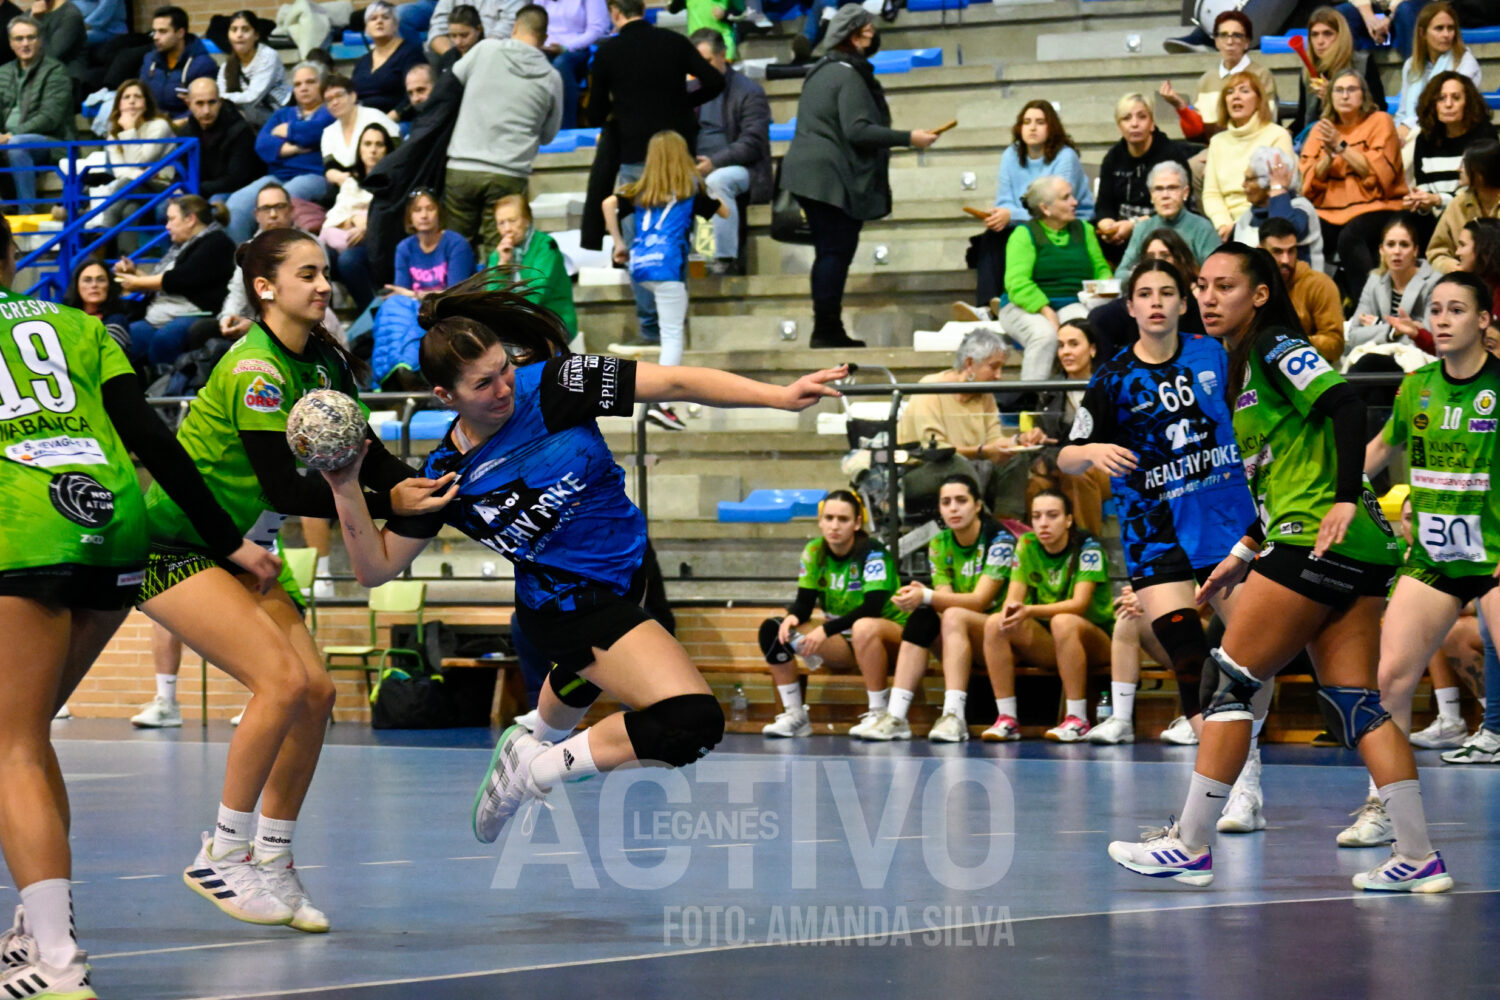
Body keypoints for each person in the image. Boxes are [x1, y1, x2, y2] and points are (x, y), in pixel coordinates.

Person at [312, 272, 846, 847]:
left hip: (628, 574)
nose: (503, 389)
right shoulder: (449, 474)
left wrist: (779, 396)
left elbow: (673, 382)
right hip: (567, 608)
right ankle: (537, 768)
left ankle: (530, 738)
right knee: (690, 723)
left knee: (578, 688)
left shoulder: (558, 384)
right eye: (482, 384)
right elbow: (376, 568)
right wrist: (344, 488)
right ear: (446, 398)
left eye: (504, 370)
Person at [136, 227, 456, 932]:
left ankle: (273, 858)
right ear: (264, 287)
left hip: (243, 550)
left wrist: (412, 487)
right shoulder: (257, 368)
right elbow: (285, 485)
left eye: (323, 273)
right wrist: (385, 503)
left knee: (315, 693)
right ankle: (221, 850)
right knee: (279, 684)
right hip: (178, 543)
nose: (322, 284)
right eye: (307, 274)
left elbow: (364, 453)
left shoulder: (325, 364)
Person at [1105, 243, 1445, 894]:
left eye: (1224, 286)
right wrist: (1241, 552)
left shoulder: (1274, 344)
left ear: (1258, 295)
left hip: (1320, 536)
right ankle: (1420, 855)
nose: (1206, 297)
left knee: (1228, 681)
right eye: (1201, 285)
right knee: (1355, 705)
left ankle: (1191, 844)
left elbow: (1346, 406)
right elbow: (1285, 476)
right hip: (1352, 547)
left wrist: (1346, 496)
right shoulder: (1238, 371)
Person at [0, 214, 279, 999]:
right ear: (11, 258)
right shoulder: (76, 327)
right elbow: (155, 438)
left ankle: (55, 959)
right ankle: (37, 927)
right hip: (115, 528)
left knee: (9, 748)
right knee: (25, 738)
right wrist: (225, 540)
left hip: (21, 531)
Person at [1060, 260, 1269, 823]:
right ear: (1129, 307)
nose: (1156, 302)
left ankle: (1242, 774)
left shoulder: (1215, 355)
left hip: (1226, 528)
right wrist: (1093, 453)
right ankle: (1236, 788)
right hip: (1153, 536)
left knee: (1251, 658)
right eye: (1144, 294)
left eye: (1168, 293)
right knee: (1187, 662)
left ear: (1184, 303)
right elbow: (1066, 452)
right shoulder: (1112, 378)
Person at [1350, 271, 1500, 841]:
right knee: (1388, 678)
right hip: (1435, 558)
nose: (1441, 318)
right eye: (1435, 309)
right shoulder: (1416, 387)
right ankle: (1381, 804)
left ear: (1484, 320)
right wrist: (1331, 491)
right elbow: (1381, 449)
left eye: (1457, 309)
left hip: (1494, 559)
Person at [780, 5, 936, 350]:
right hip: (829, 175)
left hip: (809, 172)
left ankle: (826, 327)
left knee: (828, 251)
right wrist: (909, 137)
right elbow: (858, 129)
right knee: (834, 252)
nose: (874, 34)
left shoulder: (820, 70)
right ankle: (826, 329)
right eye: (868, 30)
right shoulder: (849, 75)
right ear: (855, 36)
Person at [589, 0, 724, 350]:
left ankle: (651, 330)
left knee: (642, 246)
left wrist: (620, 112)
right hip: (679, 158)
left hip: (636, 156)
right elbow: (713, 81)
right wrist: (682, 100)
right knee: (675, 240)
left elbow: (596, 111)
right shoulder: (673, 41)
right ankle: (675, 330)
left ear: (615, 12)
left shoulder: (609, 52)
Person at [857, 476, 1015, 742]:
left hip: (998, 634)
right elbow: (946, 598)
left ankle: (954, 716)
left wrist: (927, 595)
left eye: (961, 501)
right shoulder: (939, 543)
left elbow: (979, 600)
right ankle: (896, 716)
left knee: (948, 612)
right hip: (959, 635)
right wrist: (925, 597)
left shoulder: (999, 539)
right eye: (946, 502)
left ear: (977, 505)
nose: (953, 508)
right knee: (924, 616)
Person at [757, 490, 908, 739]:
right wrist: (793, 616)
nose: (834, 526)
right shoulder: (814, 551)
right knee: (775, 629)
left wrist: (824, 629)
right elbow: (804, 602)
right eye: (828, 518)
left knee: (864, 627)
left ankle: (879, 712)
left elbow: (871, 608)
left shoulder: (874, 553)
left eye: (843, 519)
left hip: (887, 637)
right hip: (843, 639)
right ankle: (795, 714)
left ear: (857, 523)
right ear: (820, 521)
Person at [602, 130, 727, 429]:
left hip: (642, 266)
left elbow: (608, 203)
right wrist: (703, 182)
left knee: (667, 328)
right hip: (668, 268)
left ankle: (659, 402)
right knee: (672, 335)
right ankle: (662, 403)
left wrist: (619, 243)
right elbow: (724, 211)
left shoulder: (641, 190)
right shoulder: (689, 189)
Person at [982, 489, 1114, 742]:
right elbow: (1013, 600)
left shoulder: (1089, 548)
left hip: (1097, 641)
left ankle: (1077, 719)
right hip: (1055, 642)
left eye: (1052, 515)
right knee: (995, 623)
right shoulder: (1028, 544)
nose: (1043, 523)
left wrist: (1030, 610)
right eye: (1037, 516)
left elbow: (1078, 604)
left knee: (1063, 620)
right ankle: (1007, 719)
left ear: (1068, 520)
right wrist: (1011, 611)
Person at [444, 4, 562, 261]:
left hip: (462, 167)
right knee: (500, 256)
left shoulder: (485, 50)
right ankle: (494, 301)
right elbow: (549, 135)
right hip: (509, 172)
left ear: (515, 27)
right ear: (543, 38)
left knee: (456, 251)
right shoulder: (552, 78)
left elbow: (450, 86)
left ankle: (455, 301)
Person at [896, 329, 1050, 518]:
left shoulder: (985, 394)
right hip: (921, 472)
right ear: (970, 364)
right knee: (956, 464)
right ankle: (984, 526)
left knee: (1016, 458)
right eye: (994, 367)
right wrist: (982, 451)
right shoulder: (931, 387)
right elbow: (935, 451)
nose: (999, 375)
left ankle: (1007, 524)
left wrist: (1019, 442)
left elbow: (995, 439)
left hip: (973, 467)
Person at [965, 100, 1092, 316]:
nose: (1032, 128)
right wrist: (1001, 216)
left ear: (1051, 127)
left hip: (1065, 221)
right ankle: (987, 306)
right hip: (1025, 223)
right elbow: (1004, 200)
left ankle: (1008, 304)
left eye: (1040, 122)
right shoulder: (1010, 155)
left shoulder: (1065, 156)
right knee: (992, 236)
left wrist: (1011, 215)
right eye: (1027, 122)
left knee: (1016, 235)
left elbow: (1056, 206)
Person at [1298, 68, 1407, 301]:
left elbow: (1380, 175)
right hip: (1328, 209)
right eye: (1338, 90)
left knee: (1351, 236)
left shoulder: (1380, 121)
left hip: (1378, 205)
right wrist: (1327, 158)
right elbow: (1308, 183)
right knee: (1300, 231)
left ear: (1363, 95)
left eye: (1351, 89)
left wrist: (1341, 147)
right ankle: (1312, 305)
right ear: (1330, 97)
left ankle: (1367, 308)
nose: (1345, 96)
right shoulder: (1320, 129)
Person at [998, 175, 1112, 384]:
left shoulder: (1085, 230)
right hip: (1025, 305)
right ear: (1046, 208)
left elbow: (1101, 269)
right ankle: (1034, 405)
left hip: (1073, 300)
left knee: (1084, 332)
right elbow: (1017, 283)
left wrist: (1103, 290)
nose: (1075, 202)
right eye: (1066, 197)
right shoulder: (1023, 234)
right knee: (1045, 336)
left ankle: (1091, 397)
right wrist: (1046, 310)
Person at [114, 196, 236, 367]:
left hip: (196, 313)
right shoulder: (180, 246)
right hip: (160, 314)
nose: (167, 226)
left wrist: (138, 282)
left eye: (172, 219)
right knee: (124, 338)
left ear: (190, 219)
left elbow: (180, 278)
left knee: (165, 339)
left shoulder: (217, 242)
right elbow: (163, 279)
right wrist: (134, 272)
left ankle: (166, 388)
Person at [690, 27, 772, 277]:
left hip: (745, 169)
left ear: (723, 55)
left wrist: (714, 162)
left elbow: (752, 143)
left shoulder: (748, 91)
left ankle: (725, 259)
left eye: (707, 61)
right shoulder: (690, 91)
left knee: (716, 181)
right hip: (697, 165)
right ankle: (692, 264)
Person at [228, 62, 334, 245]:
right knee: (236, 204)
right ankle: (244, 262)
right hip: (278, 176)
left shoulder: (330, 112)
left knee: (281, 200)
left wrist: (289, 131)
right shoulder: (282, 114)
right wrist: (296, 148)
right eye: (298, 84)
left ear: (322, 85)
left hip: (314, 175)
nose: (304, 88)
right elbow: (262, 144)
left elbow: (318, 132)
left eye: (310, 82)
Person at [1025, 318, 1112, 539]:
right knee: (1037, 483)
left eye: (1074, 344)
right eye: (1061, 345)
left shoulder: (1110, 386)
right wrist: (1038, 437)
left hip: (1103, 464)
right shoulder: (1049, 390)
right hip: (1059, 463)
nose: (1065, 352)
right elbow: (1046, 441)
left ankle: (1087, 549)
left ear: (1092, 349)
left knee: (1077, 475)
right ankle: (1041, 554)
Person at [1406, 71, 1498, 251]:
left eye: (1456, 98)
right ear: (1432, 104)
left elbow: (1480, 188)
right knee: (1402, 222)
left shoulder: (1484, 136)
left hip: (1470, 212)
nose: (1448, 104)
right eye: (1441, 99)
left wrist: (1438, 200)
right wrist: (1422, 201)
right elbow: (1423, 183)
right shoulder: (1424, 138)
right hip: (1433, 212)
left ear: (1468, 103)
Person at [1094, 94, 1191, 260]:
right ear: (1119, 126)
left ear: (1152, 123)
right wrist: (1108, 227)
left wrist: (1134, 225)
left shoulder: (1170, 155)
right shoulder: (1113, 157)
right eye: (1126, 118)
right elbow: (1104, 204)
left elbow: (1178, 205)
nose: (1134, 124)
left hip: (1164, 224)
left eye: (1142, 117)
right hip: (1123, 230)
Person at [1158, 11, 1278, 144]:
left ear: (1247, 42)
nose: (1230, 41)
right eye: (1223, 35)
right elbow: (1197, 133)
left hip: (1252, 146)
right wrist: (1180, 106)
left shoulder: (1261, 75)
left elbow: (1266, 121)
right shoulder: (1207, 79)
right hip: (1212, 149)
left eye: (1237, 36)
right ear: (1216, 42)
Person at [1202, 71, 1294, 238]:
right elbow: (1211, 193)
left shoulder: (1277, 135)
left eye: (1244, 91)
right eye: (1230, 92)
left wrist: (1241, 227)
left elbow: (1278, 189)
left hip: (1264, 221)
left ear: (1259, 100)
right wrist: (1223, 224)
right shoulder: (1217, 142)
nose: (1236, 96)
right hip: (1225, 226)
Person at [1090, 227, 1206, 359]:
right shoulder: (1131, 303)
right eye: (1150, 257)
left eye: (1165, 255)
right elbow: (1099, 318)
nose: (1157, 261)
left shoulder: (1198, 299)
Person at [0, 15, 73, 211]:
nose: (25, 43)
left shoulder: (56, 71)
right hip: (6, 142)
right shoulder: (3, 72)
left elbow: (50, 117)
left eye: (31, 37)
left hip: (51, 142)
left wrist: (10, 135)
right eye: (19, 39)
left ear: (40, 40)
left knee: (17, 144)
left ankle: (27, 212)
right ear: (10, 43)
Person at [323, 123, 397, 313]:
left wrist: (367, 226)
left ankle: (373, 314)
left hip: (381, 244)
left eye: (379, 145)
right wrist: (354, 219)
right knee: (322, 255)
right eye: (367, 144)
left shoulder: (395, 179)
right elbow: (332, 219)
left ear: (387, 149)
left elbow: (393, 217)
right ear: (360, 149)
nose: (373, 150)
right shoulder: (351, 182)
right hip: (348, 239)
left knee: (349, 260)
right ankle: (324, 318)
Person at [87, 77, 176, 231]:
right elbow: (120, 171)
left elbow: (139, 161)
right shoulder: (113, 134)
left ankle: (103, 231)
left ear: (146, 103)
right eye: (126, 97)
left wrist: (129, 130)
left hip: (161, 185)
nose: (132, 101)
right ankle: (125, 254)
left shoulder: (159, 126)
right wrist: (141, 175)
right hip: (134, 186)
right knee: (130, 210)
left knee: (126, 185)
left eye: (138, 97)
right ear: (119, 104)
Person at [1346, 214, 1441, 354]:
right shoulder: (1374, 280)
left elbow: (1432, 338)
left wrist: (1377, 325)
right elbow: (1354, 335)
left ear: (1415, 251)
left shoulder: (1434, 283)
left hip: (1417, 358)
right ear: (1381, 250)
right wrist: (1391, 331)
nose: (1397, 251)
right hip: (1379, 355)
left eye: (1404, 245)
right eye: (1390, 245)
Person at [1392, 2, 1482, 145]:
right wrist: (1397, 132)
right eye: (1439, 28)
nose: (1446, 35)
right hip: (1415, 130)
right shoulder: (1411, 65)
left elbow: (1446, 108)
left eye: (1450, 28)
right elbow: (1403, 112)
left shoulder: (1465, 62)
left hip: (1450, 131)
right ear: (1422, 33)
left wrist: (1409, 125)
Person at [1114, 160, 1221, 278]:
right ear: (1151, 195)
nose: (1165, 195)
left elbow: (1216, 275)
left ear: (1185, 193)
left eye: (1172, 188)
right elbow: (1120, 275)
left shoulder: (1203, 229)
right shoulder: (1142, 228)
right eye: (1158, 189)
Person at [489, 193, 576, 336]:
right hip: (513, 321)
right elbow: (491, 300)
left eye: (512, 220)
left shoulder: (545, 247)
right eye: (501, 223)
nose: (507, 229)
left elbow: (535, 292)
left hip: (552, 320)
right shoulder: (497, 255)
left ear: (526, 220)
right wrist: (502, 266)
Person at [1291, 7, 1384, 139]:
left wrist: (1334, 99)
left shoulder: (1362, 63)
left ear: (1341, 36)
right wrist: (1285, 133)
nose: (1320, 41)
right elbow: (1302, 119)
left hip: (1357, 137)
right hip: (1314, 139)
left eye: (1327, 34)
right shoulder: (1308, 71)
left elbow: (1379, 109)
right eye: (1314, 34)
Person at [1260, 216, 1344, 362]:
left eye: (1291, 251)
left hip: (1310, 373)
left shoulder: (1319, 285)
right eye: (1277, 252)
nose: (1286, 260)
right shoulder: (1249, 287)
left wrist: (1288, 344)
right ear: (1260, 251)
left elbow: (1335, 345)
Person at [1232, 145, 1326, 271]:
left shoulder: (1301, 207)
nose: (1243, 185)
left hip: (1300, 287)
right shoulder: (1247, 216)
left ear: (1268, 183)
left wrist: (1277, 188)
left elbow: (1281, 232)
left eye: (1249, 179)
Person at [1427, 139, 1500, 273]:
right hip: (1466, 283)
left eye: (1464, 164)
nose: (1458, 169)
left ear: (1481, 171)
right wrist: (1453, 267)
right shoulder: (1457, 204)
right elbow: (1436, 251)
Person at [185, 78, 261, 206]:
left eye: (212, 102)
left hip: (237, 191)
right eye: (199, 103)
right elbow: (181, 172)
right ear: (189, 104)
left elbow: (236, 180)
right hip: (199, 191)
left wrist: (194, 189)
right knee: (163, 208)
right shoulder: (186, 132)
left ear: (220, 102)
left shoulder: (240, 130)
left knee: (216, 205)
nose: (206, 111)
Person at [389, 189, 477, 297]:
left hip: (449, 308)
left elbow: (455, 295)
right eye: (417, 210)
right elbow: (401, 295)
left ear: (439, 213)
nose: (424, 215)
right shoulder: (404, 248)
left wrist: (415, 295)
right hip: (414, 307)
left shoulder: (457, 244)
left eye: (430, 209)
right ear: (409, 217)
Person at [138, 5, 216, 126]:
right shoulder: (150, 60)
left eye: (162, 31)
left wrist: (173, 124)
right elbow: (141, 95)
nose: (155, 37)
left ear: (180, 33)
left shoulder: (202, 65)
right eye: (154, 31)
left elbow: (205, 108)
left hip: (184, 127)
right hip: (152, 124)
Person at [320, 74, 401, 189]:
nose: (334, 102)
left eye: (339, 95)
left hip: (381, 181)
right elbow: (329, 168)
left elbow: (396, 152)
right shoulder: (328, 133)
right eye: (329, 100)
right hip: (344, 186)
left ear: (353, 96)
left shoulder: (376, 117)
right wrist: (339, 177)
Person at [537, 0, 608, 130]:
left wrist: (567, 47)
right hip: (546, 46)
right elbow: (537, 21)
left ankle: (566, 127)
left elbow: (596, 30)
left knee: (561, 64)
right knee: (532, 61)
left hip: (579, 48)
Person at [350, 1, 428, 115]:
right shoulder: (361, 62)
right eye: (373, 18)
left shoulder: (410, 53)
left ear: (396, 25)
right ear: (366, 28)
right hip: (364, 120)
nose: (379, 21)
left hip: (399, 119)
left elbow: (416, 96)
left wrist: (390, 119)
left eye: (385, 17)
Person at [215, 9, 289, 128]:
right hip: (246, 116)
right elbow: (218, 93)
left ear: (256, 35)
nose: (239, 35)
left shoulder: (268, 56)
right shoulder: (227, 66)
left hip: (276, 115)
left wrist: (220, 98)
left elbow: (252, 98)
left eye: (245, 30)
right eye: (234, 30)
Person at [62, 257, 129, 349]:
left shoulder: (117, 320)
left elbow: (106, 354)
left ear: (109, 285)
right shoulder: (66, 318)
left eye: (101, 279)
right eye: (87, 280)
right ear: (76, 286)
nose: (94, 285)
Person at [427, 0, 514, 58]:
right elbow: (437, 27)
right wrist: (452, 57)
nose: (458, 41)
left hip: (493, 52)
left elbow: (507, 27)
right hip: (457, 53)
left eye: (463, 36)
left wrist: (475, 59)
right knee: (434, 56)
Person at [32, 0, 86, 82]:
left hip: (64, 77)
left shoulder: (71, 15)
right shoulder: (36, 11)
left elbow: (51, 55)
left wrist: (37, 22)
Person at [430, 3, 484, 74]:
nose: (458, 42)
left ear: (479, 30)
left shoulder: (489, 58)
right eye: (453, 36)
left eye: (464, 35)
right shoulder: (447, 59)